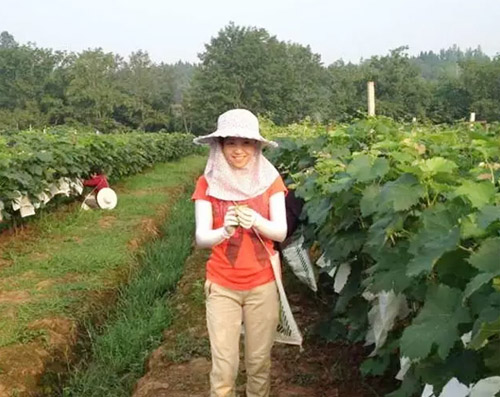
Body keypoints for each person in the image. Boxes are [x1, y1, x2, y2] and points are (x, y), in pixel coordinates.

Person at [191, 108, 287, 397]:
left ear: (256, 146)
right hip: (222, 285)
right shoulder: (207, 183)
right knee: (225, 365)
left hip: (263, 284)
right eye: (230, 142)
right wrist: (224, 231)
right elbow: (201, 237)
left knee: (259, 362)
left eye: (245, 143)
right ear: (219, 146)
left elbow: (280, 232)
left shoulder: (271, 181)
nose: (238, 150)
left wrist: (256, 221)